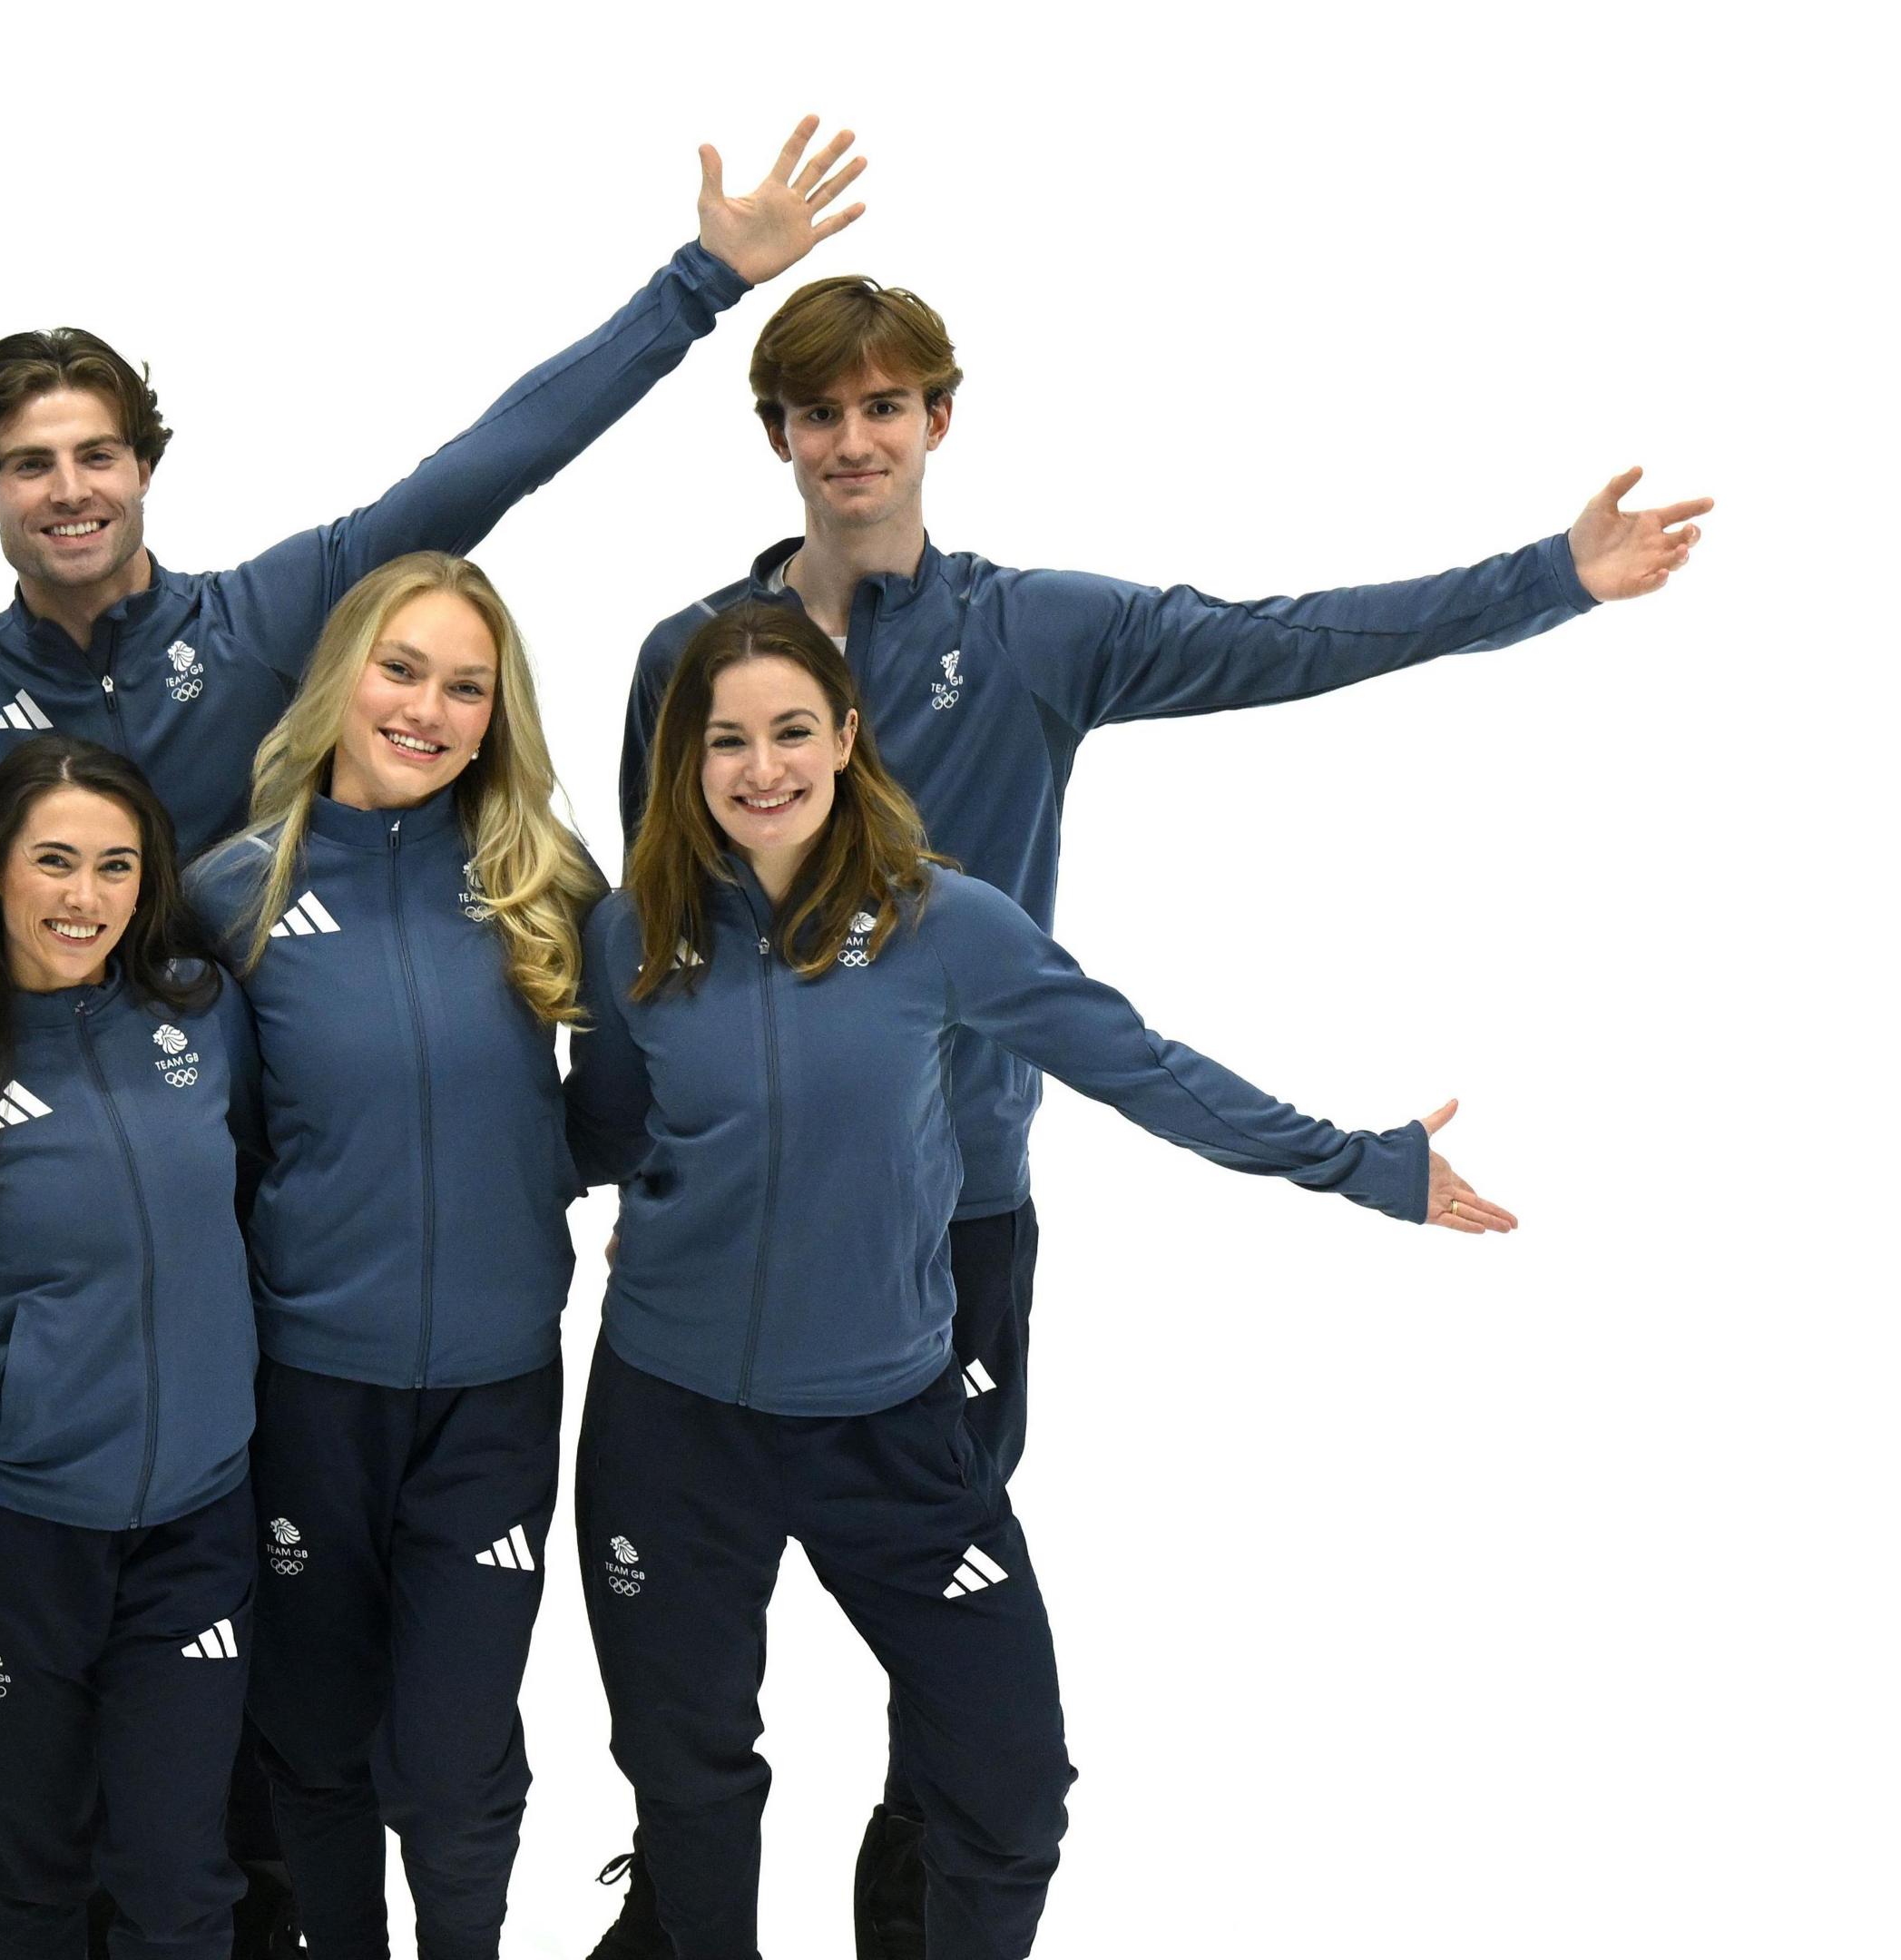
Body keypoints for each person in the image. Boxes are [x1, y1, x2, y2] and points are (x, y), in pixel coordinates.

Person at [595, 275, 1697, 1958]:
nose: (855, 441)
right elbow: (662, 959)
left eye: (886, 407)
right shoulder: (694, 659)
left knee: (954, 1680)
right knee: (687, 1712)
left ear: (937, 422)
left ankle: (917, 1914)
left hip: (951, 1227)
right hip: (709, 1280)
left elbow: (1294, 636)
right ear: (779, 440)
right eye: (822, 414)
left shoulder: (1035, 629)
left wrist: (1548, 581)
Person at [568, 603, 1512, 1959]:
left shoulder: (943, 923)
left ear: (844, 738)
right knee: (692, 1796)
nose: (760, 768)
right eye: (726, 741)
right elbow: (599, 1129)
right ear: (687, 760)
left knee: (1010, 1790)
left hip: (887, 1428)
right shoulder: (634, 933)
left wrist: (1360, 1165)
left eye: (790, 731)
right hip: (671, 1427)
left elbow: (1145, 1068)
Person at [0, 120, 874, 850]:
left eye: (96, 456)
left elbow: (494, 461)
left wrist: (701, 283)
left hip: (286, 1111)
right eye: (31, 466)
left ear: (145, 468)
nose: (70, 490)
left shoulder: (264, 614)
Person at [181, 554, 603, 1960]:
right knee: (311, 1733)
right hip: (310, 1390)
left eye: (465, 685)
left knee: (450, 1750)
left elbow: (618, 1100)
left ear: (497, 717)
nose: (427, 707)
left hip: (494, 1392)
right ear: (342, 679)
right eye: (401, 669)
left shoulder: (543, 883)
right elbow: (213, 1159)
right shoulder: (236, 897)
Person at [0, 738, 263, 1960]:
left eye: (115, 868)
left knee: (176, 1871)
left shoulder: (204, 1014)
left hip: (198, 1522)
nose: (83, 898)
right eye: (53, 863)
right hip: (18, 1531)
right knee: (27, 1869)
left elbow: (257, 1202)